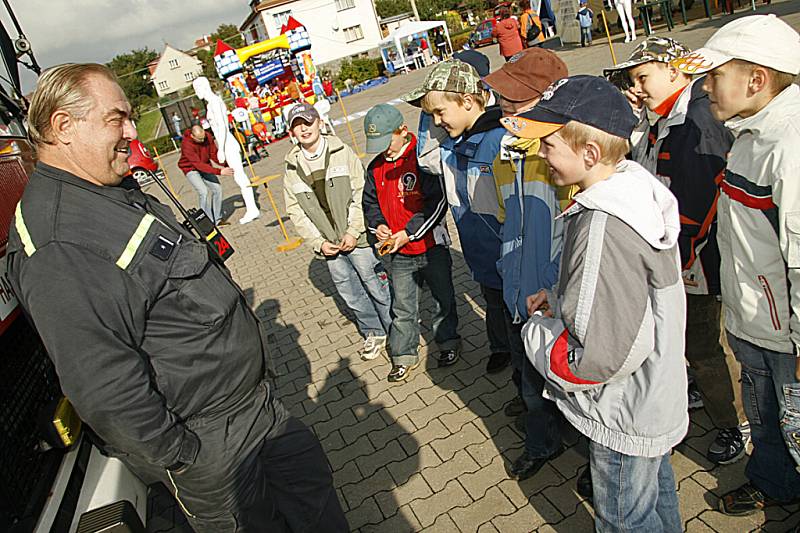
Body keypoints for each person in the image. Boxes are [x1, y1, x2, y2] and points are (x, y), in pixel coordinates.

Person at [6, 63, 348, 533]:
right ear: (64, 126)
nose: (131, 131)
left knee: (315, 502)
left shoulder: (107, 191)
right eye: (117, 119)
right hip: (210, 444)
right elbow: (103, 384)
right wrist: (184, 456)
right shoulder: (59, 244)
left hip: (256, 409)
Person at [509, 75, 687, 531]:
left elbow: (605, 357)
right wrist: (561, 296)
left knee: (624, 518)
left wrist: (537, 336)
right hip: (651, 393)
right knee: (657, 497)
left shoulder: (603, 224)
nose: (540, 154)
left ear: (589, 154)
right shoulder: (629, 188)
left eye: (548, 144)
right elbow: (616, 291)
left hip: (622, 408)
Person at [672, 14, 800, 515]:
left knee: (793, 424)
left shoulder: (788, 145)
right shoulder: (751, 130)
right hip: (755, 323)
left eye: (714, 76)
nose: (705, 89)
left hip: (785, 337)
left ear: (757, 79)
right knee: (768, 419)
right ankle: (774, 484)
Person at [604, 36, 747, 469]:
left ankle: (735, 423)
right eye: (632, 80)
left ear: (675, 70)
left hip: (697, 262)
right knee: (692, 344)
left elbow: (702, 203)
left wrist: (676, 261)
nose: (637, 87)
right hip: (678, 257)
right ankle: (712, 398)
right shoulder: (661, 118)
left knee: (703, 345)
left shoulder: (696, 120)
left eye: (642, 77)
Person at [483, 48, 572, 481]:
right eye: (502, 96)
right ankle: (542, 443)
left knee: (572, 383)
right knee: (530, 382)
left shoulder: (567, 154)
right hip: (520, 292)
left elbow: (576, 236)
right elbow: (505, 221)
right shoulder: (506, 151)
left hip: (554, 297)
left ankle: (593, 455)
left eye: (516, 99)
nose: (504, 106)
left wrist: (556, 287)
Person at [404, 60, 514, 379]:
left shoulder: (498, 142)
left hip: (508, 255)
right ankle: (501, 348)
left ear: (467, 101)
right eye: (432, 115)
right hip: (480, 254)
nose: (435, 122)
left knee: (519, 321)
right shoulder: (450, 145)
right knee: (493, 305)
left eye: (440, 113)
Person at [282, 102, 393, 361]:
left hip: (357, 238)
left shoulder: (342, 152)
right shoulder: (291, 168)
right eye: (297, 126)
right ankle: (373, 332)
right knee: (350, 292)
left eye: (307, 122)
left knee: (375, 283)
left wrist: (353, 231)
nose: (304, 129)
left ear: (319, 122)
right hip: (328, 244)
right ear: (291, 133)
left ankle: (394, 327)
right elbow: (296, 212)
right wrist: (318, 243)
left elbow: (360, 193)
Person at [362, 104, 461, 382]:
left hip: (430, 247)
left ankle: (448, 342)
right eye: (378, 145)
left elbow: (437, 202)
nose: (385, 150)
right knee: (403, 307)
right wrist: (379, 225)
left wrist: (409, 233)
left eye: (388, 142)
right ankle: (403, 355)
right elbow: (369, 204)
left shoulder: (422, 158)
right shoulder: (376, 168)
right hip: (398, 253)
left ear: (403, 131)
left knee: (444, 299)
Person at [193, 77, 260, 225]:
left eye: (196, 88)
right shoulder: (211, 104)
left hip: (228, 143)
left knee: (240, 176)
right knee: (238, 177)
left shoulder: (215, 102)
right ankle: (251, 208)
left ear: (203, 87)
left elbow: (223, 127)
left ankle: (252, 208)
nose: (196, 92)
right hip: (224, 143)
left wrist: (221, 149)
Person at [177, 124, 231, 225]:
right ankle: (208, 222)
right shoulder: (186, 144)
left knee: (217, 188)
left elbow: (213, 153)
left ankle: (218, 219)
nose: (202, 141)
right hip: (190, 168)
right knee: (203, 192)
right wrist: (219, 171)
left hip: (205, 165)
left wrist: (225, 164)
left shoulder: (207, 136)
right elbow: (198, 164)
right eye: (199, 139)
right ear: (192, 136)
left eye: (203, 138)